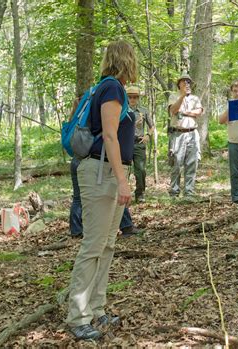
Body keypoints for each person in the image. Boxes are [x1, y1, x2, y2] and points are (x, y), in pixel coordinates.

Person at [65, 40, 138, 340]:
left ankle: (96, 308)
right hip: (100, 172)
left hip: (108, 170)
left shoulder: (111, 88)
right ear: (126, 59)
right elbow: (109, 134)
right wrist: (122, 180)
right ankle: (78, 316)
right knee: (94, 245)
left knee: (107, 244)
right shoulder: (111, 88)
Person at [68, 97, 140, 239]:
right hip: (91, 162)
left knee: (78, 198)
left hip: (78, 161)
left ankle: (76, 230)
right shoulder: (96, 120)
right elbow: (109, 137)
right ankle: (125, 226)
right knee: (112, 197)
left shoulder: (77, 121)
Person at [167, 73, 203, 197]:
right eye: (184, 82)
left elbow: (199, 111)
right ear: (179, 84)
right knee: (176, 163)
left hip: (193, 133)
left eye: (189, 82)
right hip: (178, 134)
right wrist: (182, 97)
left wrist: (187, 112)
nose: (187, 84)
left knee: (192, 163)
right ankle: (174, 192)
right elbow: (173, 110)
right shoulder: (173, 96)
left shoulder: (195, 98)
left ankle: (189, 192)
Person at [126, 86, 155, 203]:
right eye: (130, 97)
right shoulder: (123, 111)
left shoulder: (144, 110)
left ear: (138, 98)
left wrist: (148, 135)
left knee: (141, 170)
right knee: (124, 170)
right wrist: (133, 124)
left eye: (135, 97)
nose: (133, 99)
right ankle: (123, 194)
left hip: (139, 143)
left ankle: (140, 194)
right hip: (125, 143)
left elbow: (152, 126)